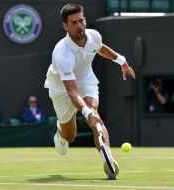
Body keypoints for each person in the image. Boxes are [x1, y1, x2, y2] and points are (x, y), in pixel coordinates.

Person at [44, 3, 135, 179]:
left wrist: (122, 61)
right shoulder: (62, 53)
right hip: (61, 89)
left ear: (85, 20)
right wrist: (86, 114)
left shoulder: (93, 36)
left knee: (95, 114)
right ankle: (61, 133)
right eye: (74, 23)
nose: (79, 26)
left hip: (86, 80)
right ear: (65, 26)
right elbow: (71, 92)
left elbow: (100, 48)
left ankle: (108, 159)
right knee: (71, 136)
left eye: (81, 21)